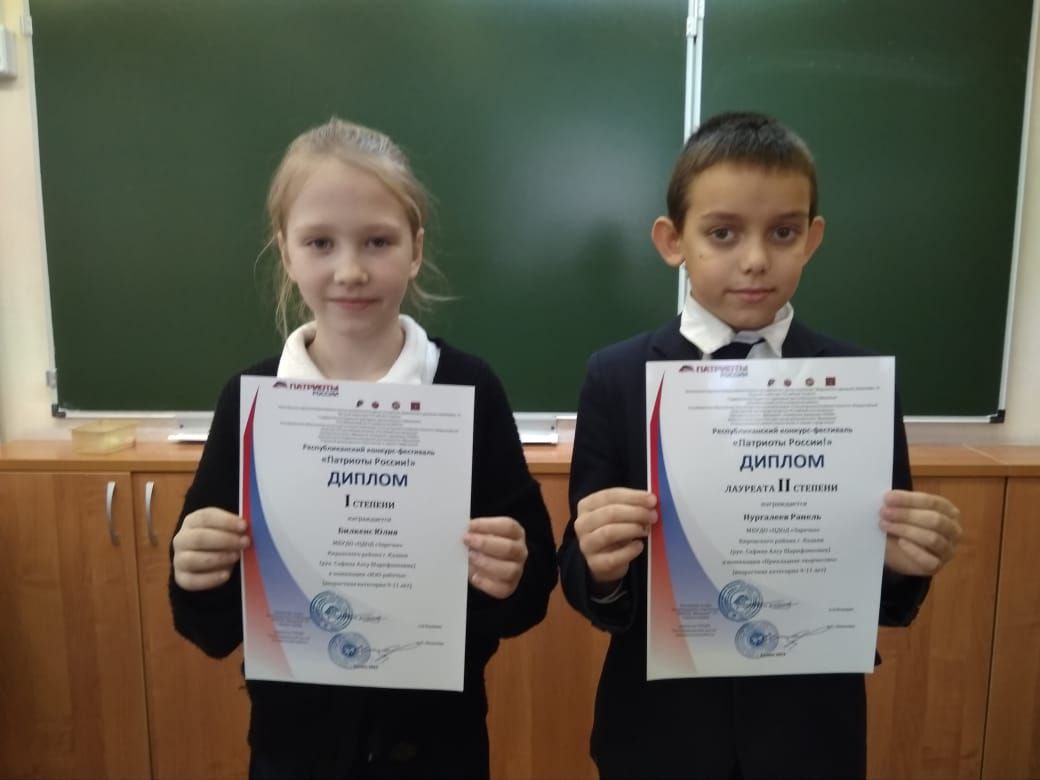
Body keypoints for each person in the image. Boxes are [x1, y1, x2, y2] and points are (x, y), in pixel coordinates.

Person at [557, 112, 963, 780]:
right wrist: (600, 566)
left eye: (783, 232)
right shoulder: (617, 376)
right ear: (672, 241)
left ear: (812, 238)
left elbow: (886, 598)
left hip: (810, 737)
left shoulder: (856, 384)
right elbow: (581, 577)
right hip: (658, 733)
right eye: (722, 233)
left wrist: (903, 561)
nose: (755, 259)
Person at [170, 117, 557, 780]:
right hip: (294, 753)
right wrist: (196, 567)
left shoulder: (467, 388)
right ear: (286, 253)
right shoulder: (251, 402)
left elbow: (528, 596)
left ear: (415, 249)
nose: (350, 270)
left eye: (378, 241)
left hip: (440, 750)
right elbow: (209, 628)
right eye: (320, 242)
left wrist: (509, 571)